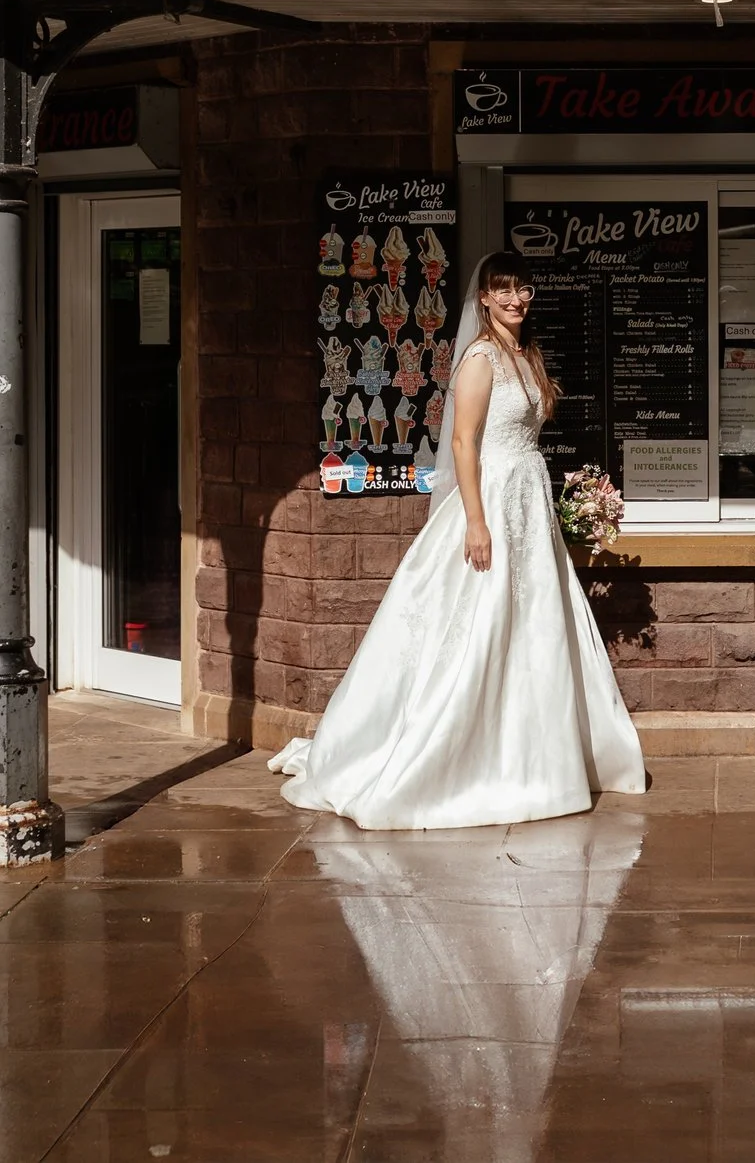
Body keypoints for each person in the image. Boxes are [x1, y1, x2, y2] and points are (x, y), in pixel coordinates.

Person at [271, 251, 647, 828]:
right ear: (485, 299)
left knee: (532, 624)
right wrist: (475, 521)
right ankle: (453, 758)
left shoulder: (526, 354)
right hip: (492, 500)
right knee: (481, 622)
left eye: (524, 288)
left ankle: (536, 757)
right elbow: (464, 444)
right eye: (505, 290)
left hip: (527, 502)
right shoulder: (481, 359)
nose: (517, 298)